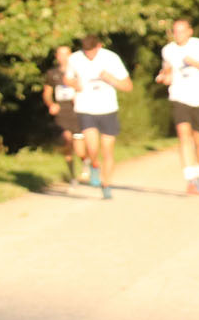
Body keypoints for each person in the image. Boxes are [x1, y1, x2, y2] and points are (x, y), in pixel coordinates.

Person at [153, 19, 199, 195]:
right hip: (179, 97)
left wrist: (195, 63)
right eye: (175, 31)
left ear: (190, 31)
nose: (178, 35)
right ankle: (190, 178)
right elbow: (167, 73)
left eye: (182, 31)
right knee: (183, 135)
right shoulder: (168, 50)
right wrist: (163, 77)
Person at [66, 34, 133, 199]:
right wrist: (75, 84)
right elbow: (67, 79)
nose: (89, 55)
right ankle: (94, 164)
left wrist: (111, 79)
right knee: (92, 147)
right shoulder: (74, 59)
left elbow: (128, 86)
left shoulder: (111, 58)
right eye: (86, 51)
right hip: (85, 108)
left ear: (99, 46)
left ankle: (106, 184)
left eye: (92, 51)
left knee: (107, 150)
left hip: (108, 108)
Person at [42, 44, 89, 184]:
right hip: (62, 112)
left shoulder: (79, 72)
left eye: (66, 54)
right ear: (56, 57)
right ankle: (72, 175)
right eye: (60, 54)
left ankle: (86, 165)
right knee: (66, 141)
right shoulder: (52, 74)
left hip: (77, 111)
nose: (63, 57)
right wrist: (51, 104)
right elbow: (47, 93)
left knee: (79, 147)